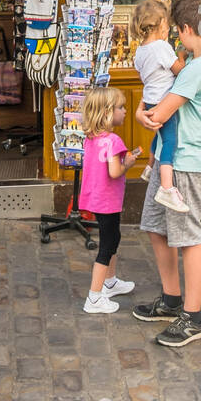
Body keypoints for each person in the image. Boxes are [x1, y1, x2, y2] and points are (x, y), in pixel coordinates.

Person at [133, 0, 201, 347]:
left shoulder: (198, 69)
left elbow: (158, 114)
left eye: (178, 33)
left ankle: (193, 316)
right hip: (172, 160)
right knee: (157, 227)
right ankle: (172, 299)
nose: (175, 40)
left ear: (187, 29)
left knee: (188, 237)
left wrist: (141, 114)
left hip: (184, 161)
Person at [79, 85, 141, 315]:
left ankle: (111, 281)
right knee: (107, 245)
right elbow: (115, 172)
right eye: (121, 107)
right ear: (107, 112)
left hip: (95, 198)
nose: (125, 111)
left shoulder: (92, 139)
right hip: (108, 200)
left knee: (113, 237)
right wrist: (130, 162)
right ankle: (94, 297)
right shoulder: (112, 141)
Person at [131, 0, 188, 212]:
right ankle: (166, 187)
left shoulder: (140, 50)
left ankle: (149, 166)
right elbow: (177, 70)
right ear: (160, 23)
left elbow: (143, 73)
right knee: (170, 140)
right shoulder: (162, 47)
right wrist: (182, 56)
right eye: (167, 25)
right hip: (164, 100)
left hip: (150, 99)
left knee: (160, 136)